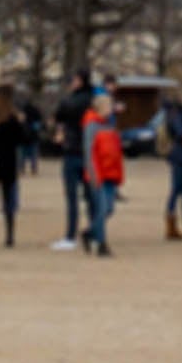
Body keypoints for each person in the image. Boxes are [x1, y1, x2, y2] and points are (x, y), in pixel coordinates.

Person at [49, 68, 94, 252]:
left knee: (72, 197)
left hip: (72, 149)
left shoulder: (69, 101)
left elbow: (57, 116)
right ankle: (94, 231)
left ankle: (70, 235)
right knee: (91, 196)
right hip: (88, 151)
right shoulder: (92, 100)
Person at [0, 84, 27, 248]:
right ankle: (9, 236)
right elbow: (22, 139)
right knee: (8, 200)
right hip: (8, 161)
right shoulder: (13, 117)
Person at [83, 90, 125, 257]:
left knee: (109, 208)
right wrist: (93, 175)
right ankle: (101, 243)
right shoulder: (91, 126)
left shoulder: (109, 125)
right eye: (108, 105)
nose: (111, 108)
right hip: (98, 174)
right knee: (101, 208)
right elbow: (89, 152)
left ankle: (90, 232)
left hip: (111, 173)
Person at [160, 84, 182, 239]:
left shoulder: (174, 112)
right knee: (179, 188)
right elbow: (181, 132)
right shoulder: (176, 113)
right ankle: (175, 223)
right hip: (181, 154)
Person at [21, 97, 43, 176]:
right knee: (34, 154)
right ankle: (33, 169)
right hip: (33, 136)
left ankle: (22, 169)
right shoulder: (36, 111)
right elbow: (38, 124)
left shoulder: (22, 111)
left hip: (23, 136)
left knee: (22, 154)